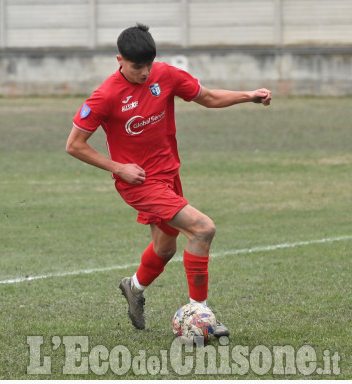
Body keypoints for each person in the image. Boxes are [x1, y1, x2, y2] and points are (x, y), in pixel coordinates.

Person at [65, 23, 271, 335]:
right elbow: (74, 145)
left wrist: (249, 96)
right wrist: (118, 167)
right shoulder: (105, 96)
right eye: (137, 66)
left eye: (149, 64)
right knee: (203, 229)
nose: (145, 72)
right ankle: (199, 315)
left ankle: (133, 287)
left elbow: (209, 97)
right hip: (139, 183)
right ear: (119, 60)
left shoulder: (166, 75)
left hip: (169, 175)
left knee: (164, 249)